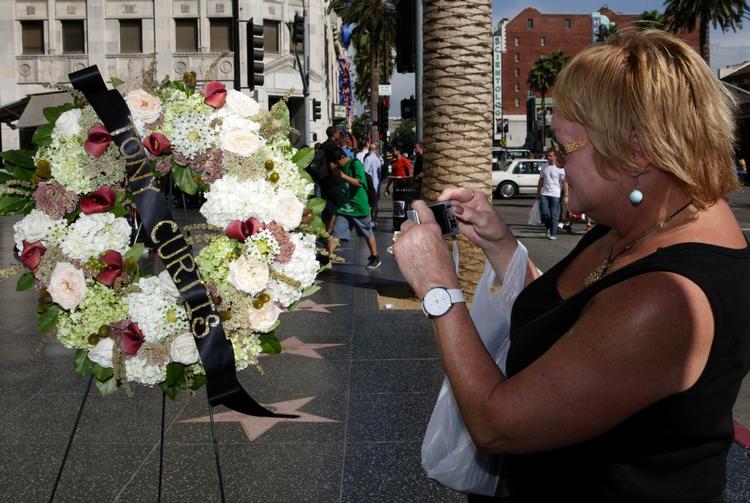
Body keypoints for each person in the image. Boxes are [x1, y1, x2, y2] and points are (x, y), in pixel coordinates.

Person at [393, 30, 750, 501]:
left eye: (562, 147)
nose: (551, 159)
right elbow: (580, 320)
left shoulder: (668, 298)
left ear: (635, 151)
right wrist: (500, 242)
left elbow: (498, 424)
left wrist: (440, 290)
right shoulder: (642, 219)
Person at [327, 148, 381, 270]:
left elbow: (360, 182)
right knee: (336, 233)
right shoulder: (338, 169)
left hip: (358, 207)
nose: (335, 165)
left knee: (367, 232)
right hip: (345, 207)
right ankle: (327, 257)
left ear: (342, 158)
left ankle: (375, 257)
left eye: (336, 162)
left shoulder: (355, 164)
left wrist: (343, 176)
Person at [536, 148, 565, 240]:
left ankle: (553, 234)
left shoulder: (560, 168)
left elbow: (565, 182)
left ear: (555, 157)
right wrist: (538, 191)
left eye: (550, 156)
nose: (547, 157)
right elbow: (541, 179)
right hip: (544, 193)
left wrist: (567, 195)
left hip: (555, 194)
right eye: (547, 155)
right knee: (544, 213)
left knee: (554, 215)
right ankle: (549, 226)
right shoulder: (544, 166)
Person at [363, 143, 383, 225]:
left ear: (369, 149)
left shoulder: (368, 159)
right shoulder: (378, 159)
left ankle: (370, 220)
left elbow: (365, 172)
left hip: (370, 185)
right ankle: (374, 220)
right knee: (375, 203)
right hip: (377, 184)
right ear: (376, 150)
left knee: (369, 203)